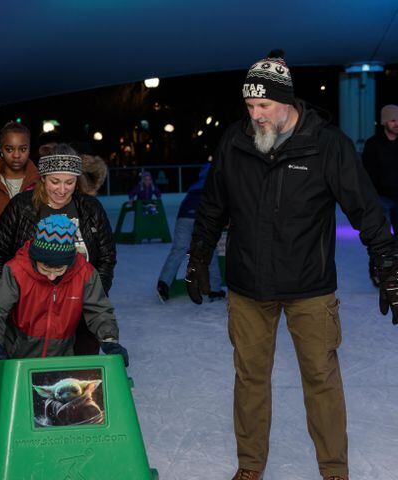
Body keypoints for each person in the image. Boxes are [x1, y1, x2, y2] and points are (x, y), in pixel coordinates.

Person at [185, 50, 397, 480]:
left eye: (264, 105)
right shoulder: (235, 141)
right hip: (248, 286)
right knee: (250, 380)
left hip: (310, 287)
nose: (256, 115)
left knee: (321, 379)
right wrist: (199, 256)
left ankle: (334, 470)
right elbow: (212, 206)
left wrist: (389, 267)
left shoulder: (326, 144)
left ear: (287, 101)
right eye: (249, 106)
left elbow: (366, 209)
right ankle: (249, 468)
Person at [0, 144, 116, 356]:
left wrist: (91, 299)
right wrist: (2, 306)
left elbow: (106, 257)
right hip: (28, 317)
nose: (62, 189)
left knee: (76, 381)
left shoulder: (90, 209)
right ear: (43, 178)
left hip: (78, 314)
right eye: (55, 181)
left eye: (70, 182)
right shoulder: (21, 208)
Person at [0, 215, 127, 375]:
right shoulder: (17, 271)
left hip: (61, 359)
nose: (51, 276)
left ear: (69, 263)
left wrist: (110, 341)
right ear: (35, 257)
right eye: (45, 269)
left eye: (58, 270)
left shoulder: (85, 274)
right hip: (18, 359)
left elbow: (99, 311)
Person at [156, 163, 224, 303]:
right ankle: (215, 289)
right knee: (208, 251)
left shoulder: (194, 186)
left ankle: (163, 284)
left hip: (184, 217)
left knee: (178, 250)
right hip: (202, 219)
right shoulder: (215, 184)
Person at [362, 104, 398, 234]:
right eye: (393, 120)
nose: (397, 124)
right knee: (384, 235)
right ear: (384, 122)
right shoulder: (373, 144)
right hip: (381, 198)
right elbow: (366, 172)